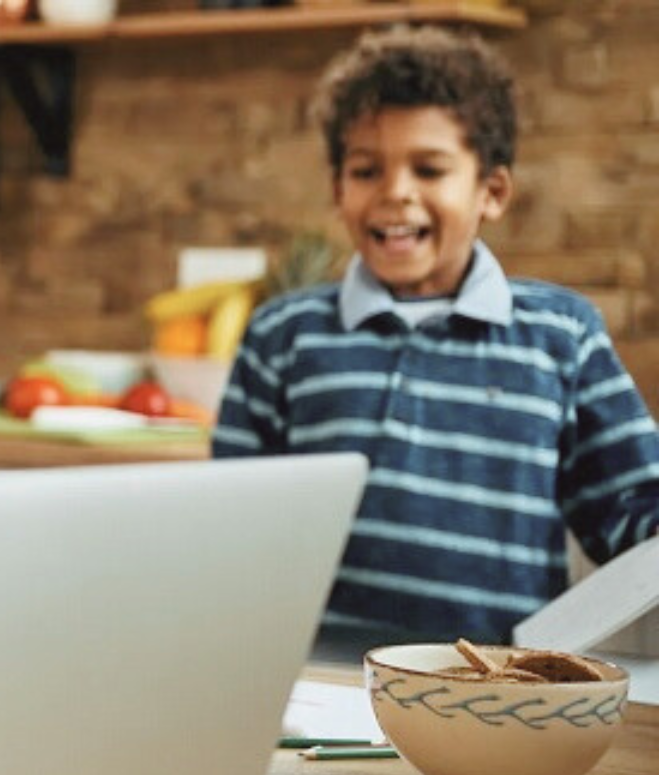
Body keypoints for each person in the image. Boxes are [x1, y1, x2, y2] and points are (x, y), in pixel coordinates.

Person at [213, 26, 659, 644]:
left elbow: (633, 508)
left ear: (492, 192)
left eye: (429, 168)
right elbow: (227, 526)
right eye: (367, 170)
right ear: (338, 189)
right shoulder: (283, 337)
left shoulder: (561, 336)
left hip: (494, 701)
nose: (396, 192)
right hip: (313, 684)